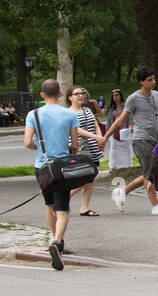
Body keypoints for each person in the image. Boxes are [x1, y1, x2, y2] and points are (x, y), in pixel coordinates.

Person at [24, 79, 83, 270]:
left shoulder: (33, 114)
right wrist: (69, 150)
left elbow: (26, 142)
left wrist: (40, 149)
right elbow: (75, 145)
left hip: (42, 166)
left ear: (42, 95)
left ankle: (55, 239)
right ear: (59, 93)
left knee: (49, 205)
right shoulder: (69, 114)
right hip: (62, 167)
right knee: (63, 209)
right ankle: (57, 242)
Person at [101, 68, 158, 215]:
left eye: (153, 79)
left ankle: (122, 192)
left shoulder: (157, 95)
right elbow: (120, 120)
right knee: (150, 172)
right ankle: (155, 206)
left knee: (152, 171)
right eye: (149, 80)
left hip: (153, 140)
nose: (153, 82)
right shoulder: (133, 98)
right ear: (141, 82)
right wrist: (105, 136)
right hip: (140, 139)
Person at [66, 86, 106, 215]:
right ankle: (64, 198)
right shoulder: (69, 113)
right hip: (80, 148)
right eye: (77, 94)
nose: (81, 96)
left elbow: (95, 124)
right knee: (85, 178)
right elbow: (76, 129)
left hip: (92, 148)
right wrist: (96, 137)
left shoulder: (87, 110)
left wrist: (100, 139)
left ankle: (84, 207)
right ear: (70, 97)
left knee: (91, 179)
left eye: (82, 93)